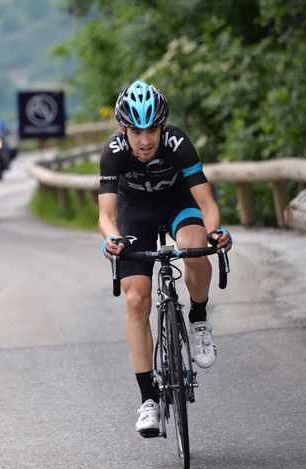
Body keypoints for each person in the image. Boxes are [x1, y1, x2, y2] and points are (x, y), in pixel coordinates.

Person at [98, 80, 232, 437]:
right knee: (136, 298)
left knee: (196, 245)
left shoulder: (178, 144)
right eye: (136, 131)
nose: (145, 140)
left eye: (153, 130)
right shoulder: (113, 152)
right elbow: (106, 215)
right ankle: (148, 401)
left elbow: (207, 205)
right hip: (134, 214)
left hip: (177, 203)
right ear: (123, 129)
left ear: (163, 126)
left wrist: (216, 231)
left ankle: (199, 318)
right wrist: (111, 238)